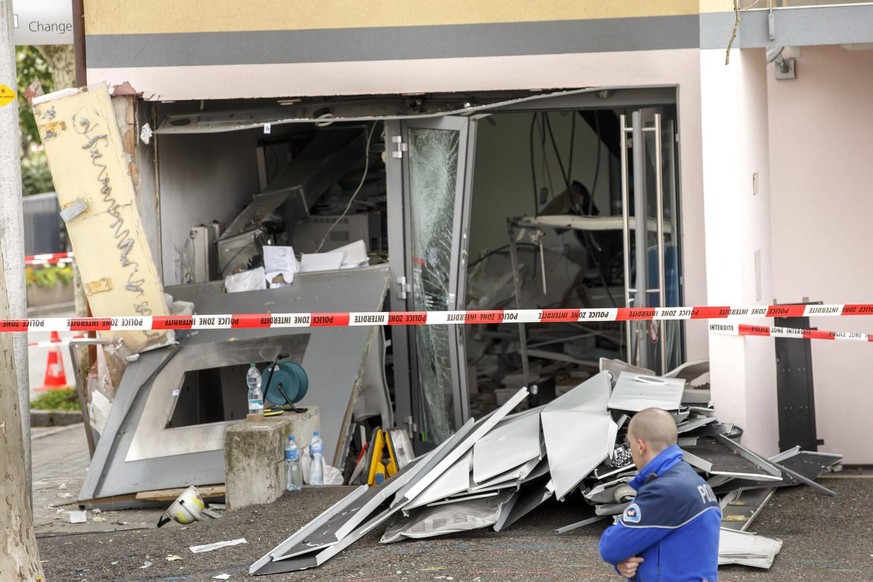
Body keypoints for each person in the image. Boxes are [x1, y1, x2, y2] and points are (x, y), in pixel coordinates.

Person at [599, 407, 721, 581]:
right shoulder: (693, 481)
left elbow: (611, 547)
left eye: (630, 445)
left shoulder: (664, 490)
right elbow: (663, 538)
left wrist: (620, 557)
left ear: (641, 446)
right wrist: (624, 564)